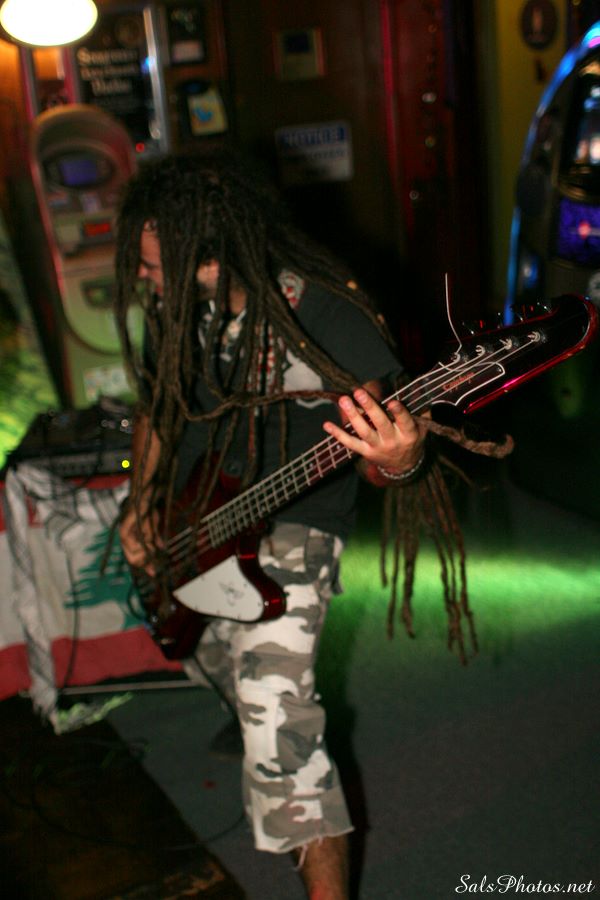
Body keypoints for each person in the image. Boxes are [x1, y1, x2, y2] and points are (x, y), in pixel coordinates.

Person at [114, 152, 428, 900]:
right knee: (203, 652)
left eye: (155, 266)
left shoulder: (325, 313)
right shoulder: (176, 310)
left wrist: (403, 459)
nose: (145, 279)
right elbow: (158, 407)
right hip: (196, 516)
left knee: (277, 727)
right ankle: (253, 708)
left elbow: (383, 461)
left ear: (209, 256)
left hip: (294, 525)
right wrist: (142, 503)